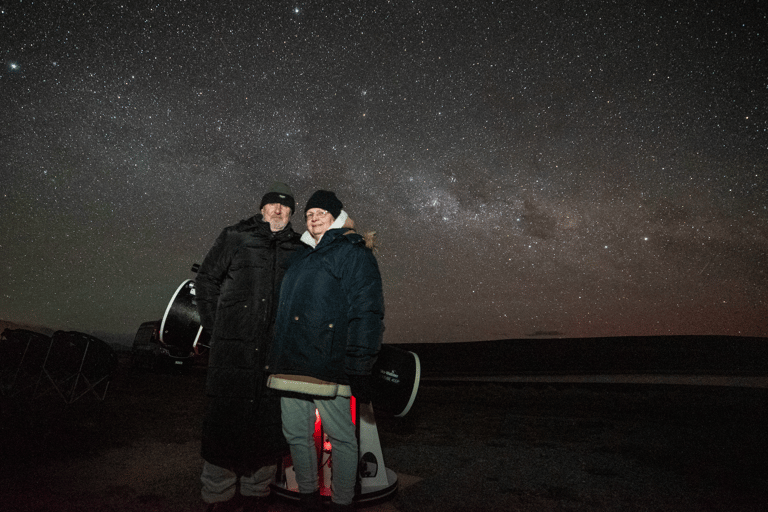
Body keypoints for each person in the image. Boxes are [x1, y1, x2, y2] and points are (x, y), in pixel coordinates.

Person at [266, 190, 384, 511]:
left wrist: (360, 364)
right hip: (289, 362)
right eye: (308, 214)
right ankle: (308, 499)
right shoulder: (300, 256)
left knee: (342, 438)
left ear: (336, 216)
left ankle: (342, 502)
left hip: (326, 362)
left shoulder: (353, 252)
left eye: (320, 212)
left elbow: (367, 311)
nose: (313, 217)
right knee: (296, 436)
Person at [195, 181, 304, 512]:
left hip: (274, 354)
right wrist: (218, 328)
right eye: (272, 204)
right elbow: (206, 280)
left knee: (267, 427)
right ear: (261, 208)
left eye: (285, 207)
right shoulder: (235, 236)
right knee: (225, 423)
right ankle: (218, 496)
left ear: (290, 213)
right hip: (233, 352)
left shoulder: (299, 249)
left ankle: (257, 493)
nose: (278, 210)